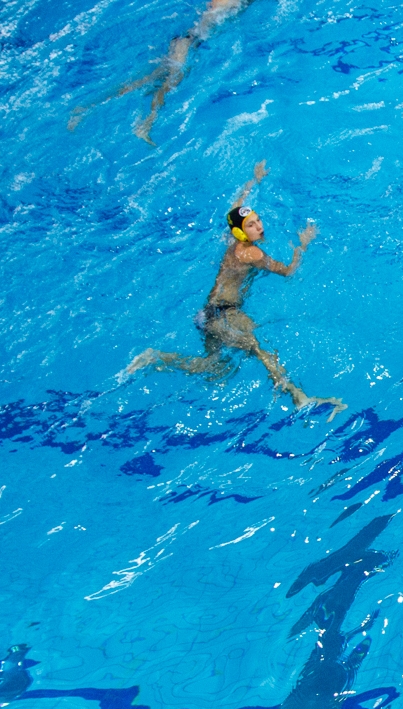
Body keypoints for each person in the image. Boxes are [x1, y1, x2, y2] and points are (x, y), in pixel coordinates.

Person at [125, 162, 345, 419]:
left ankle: (157, 358)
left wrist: (254, 181)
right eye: (251, 225)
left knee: (214, 367)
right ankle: (298, 396)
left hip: (207, 315)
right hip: (225, 314)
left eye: (258, 220)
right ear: (241, 231)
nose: (259, 226)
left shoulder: (232, 239)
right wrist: (302, 246)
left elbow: (233, 207)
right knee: (259, 348)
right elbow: (287, 271)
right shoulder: (251, 252)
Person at [68, 0, 249, 143]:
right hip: (186, 46)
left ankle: (84, 108)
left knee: (144, 80)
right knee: (168, 84)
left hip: (184, 41)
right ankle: (146, 125)